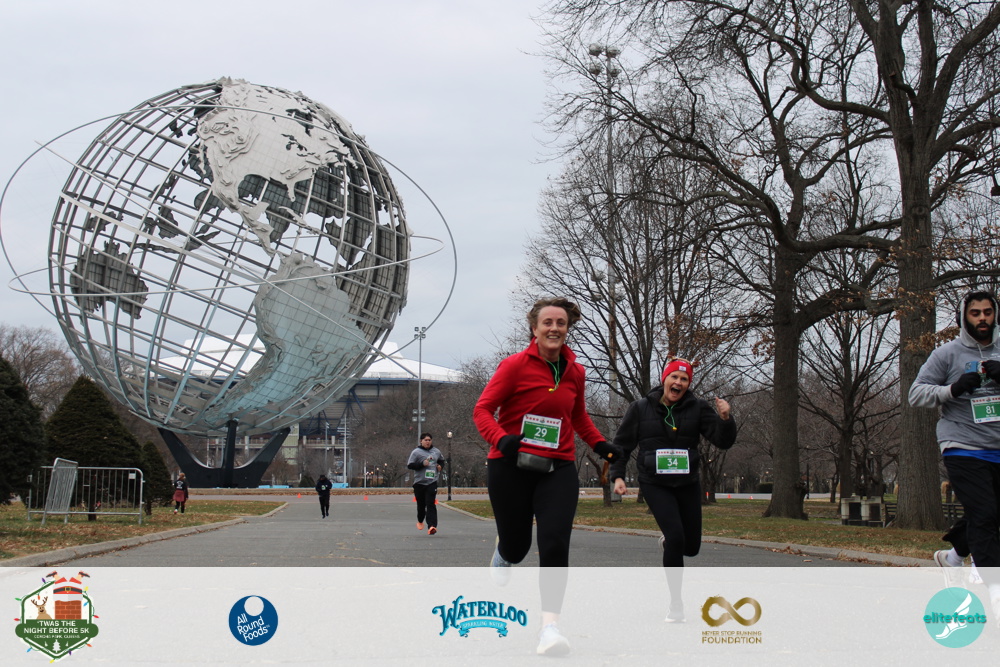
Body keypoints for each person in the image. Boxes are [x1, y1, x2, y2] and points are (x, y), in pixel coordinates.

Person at [473, 297, 621, 656]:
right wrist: (501, 439)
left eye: (561, 323)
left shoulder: (576, 372)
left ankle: (549, 627)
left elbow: (577, 416)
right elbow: (482, 410)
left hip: (558, 467)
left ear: (568, 328)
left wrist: (600, 445)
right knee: (518, 546)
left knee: (554, 542)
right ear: (534, 328)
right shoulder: (513, 366)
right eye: (548, 323)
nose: (554, 328)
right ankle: (505, 551)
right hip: (510, 465)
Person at [610, 358, 736, 622]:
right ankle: (676, 604)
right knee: (677, 536)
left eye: (684, 379)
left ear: (688, 384)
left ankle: (669, 543)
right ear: (664, 379)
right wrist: (618, 476)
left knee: (691, 547)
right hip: (654, 483)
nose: (678, 383)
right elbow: (621, 445)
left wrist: (725, 419)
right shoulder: (640, 408)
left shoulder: (698, 408)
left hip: (687, 483)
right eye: (674, 377)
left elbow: (722, 441)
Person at [909, 290, 1000, 622]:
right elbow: (916, 393)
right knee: (986, 513)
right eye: (975, 313)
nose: (982, 318)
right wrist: (952, 389)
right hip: (962, 444)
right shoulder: (947, 353)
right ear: (964, 317)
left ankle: (952, 558)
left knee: (986, 513)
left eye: (987, 312)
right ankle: (996, 591)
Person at [406, 432, 443, 535]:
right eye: (425, 440)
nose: (428, 442)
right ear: (421, 441)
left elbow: (441, 460)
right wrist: (422, 464)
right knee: (421, 505)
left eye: (429, 440)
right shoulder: (416, 452)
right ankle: (420, 520)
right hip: (419, 482)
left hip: (432, 481)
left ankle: (432, 526)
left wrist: (440, 466)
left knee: (430, 503)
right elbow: (410, 465)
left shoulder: (436, 451)